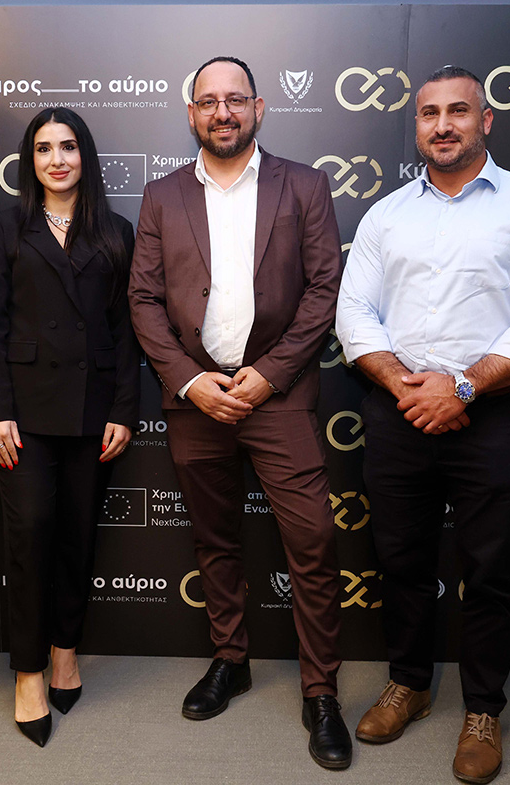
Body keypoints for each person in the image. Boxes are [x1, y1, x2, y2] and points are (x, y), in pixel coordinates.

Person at [335, 65, 510, 784]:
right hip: (398, 410)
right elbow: (355, 313)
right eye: (429, 113)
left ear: (486, 120)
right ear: (416, 124)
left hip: (492, 418)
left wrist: (463, 387)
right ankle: (408, 684)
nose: (443, 125)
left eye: (458, 111)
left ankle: (482, 711)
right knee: (401, 562)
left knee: (491, 572)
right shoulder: (386, 215)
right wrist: (403, 386)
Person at [129, 56, 351, 770]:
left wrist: (270, 375)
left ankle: (321, 691)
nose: (221, 112)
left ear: (258, 107)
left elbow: (324, 289)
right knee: (215, 538)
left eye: (234, 100)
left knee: (312, 539)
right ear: (191, 112)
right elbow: (144, 300)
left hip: (278, 396)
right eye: (208, 101)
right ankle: (231, 657)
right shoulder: (162, 195)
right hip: (196, 400)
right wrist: (191, 381)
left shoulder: (305, 185)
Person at [0, 107, 139, 748]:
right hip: (23, 415)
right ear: (30, 160)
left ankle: (66, 652)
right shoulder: (6, 228)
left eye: (68, 147)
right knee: (30, 537)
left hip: (94, 412)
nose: (57, 159)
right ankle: (28, 672)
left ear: (84, 155)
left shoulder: (116, 231)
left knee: (77, 536)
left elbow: (126, 332)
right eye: (43, 149)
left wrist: (123, 409)